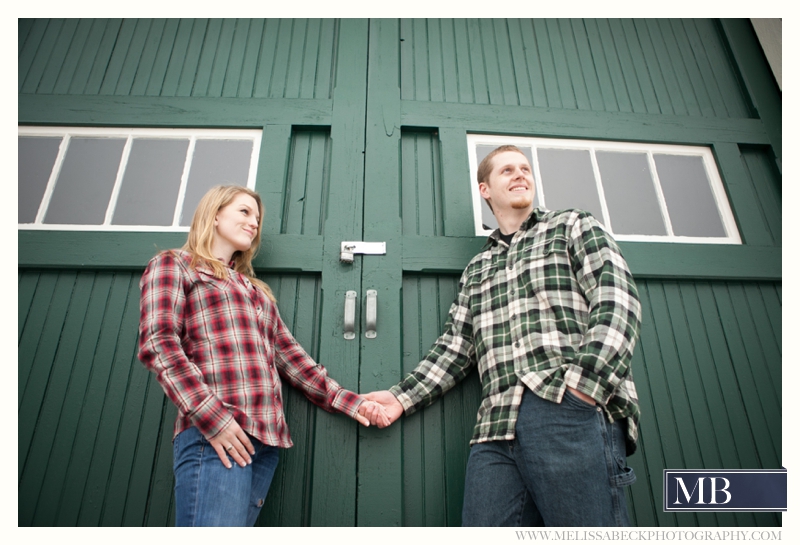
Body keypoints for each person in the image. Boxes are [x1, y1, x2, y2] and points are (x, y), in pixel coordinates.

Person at [363, 145, 642, 527]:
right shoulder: (478, 268)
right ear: (485, 190)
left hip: (566, 406)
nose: (520, 174)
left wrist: (583, 390)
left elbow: (617, 300)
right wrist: (399, 398)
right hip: (495, 426)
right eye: (507, 170)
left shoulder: (573, 225)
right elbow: (455, 348)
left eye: (525, 168)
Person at [138, 185, 388, 526]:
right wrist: (215, 419)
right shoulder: (175, 265)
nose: (254, 222)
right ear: (213, 215)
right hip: (214, 436)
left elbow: (292, 360)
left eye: (257, 217)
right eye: (244, 212)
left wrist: (353, 403)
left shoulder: (256, 292)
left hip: (264, 444)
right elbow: (159, 343)